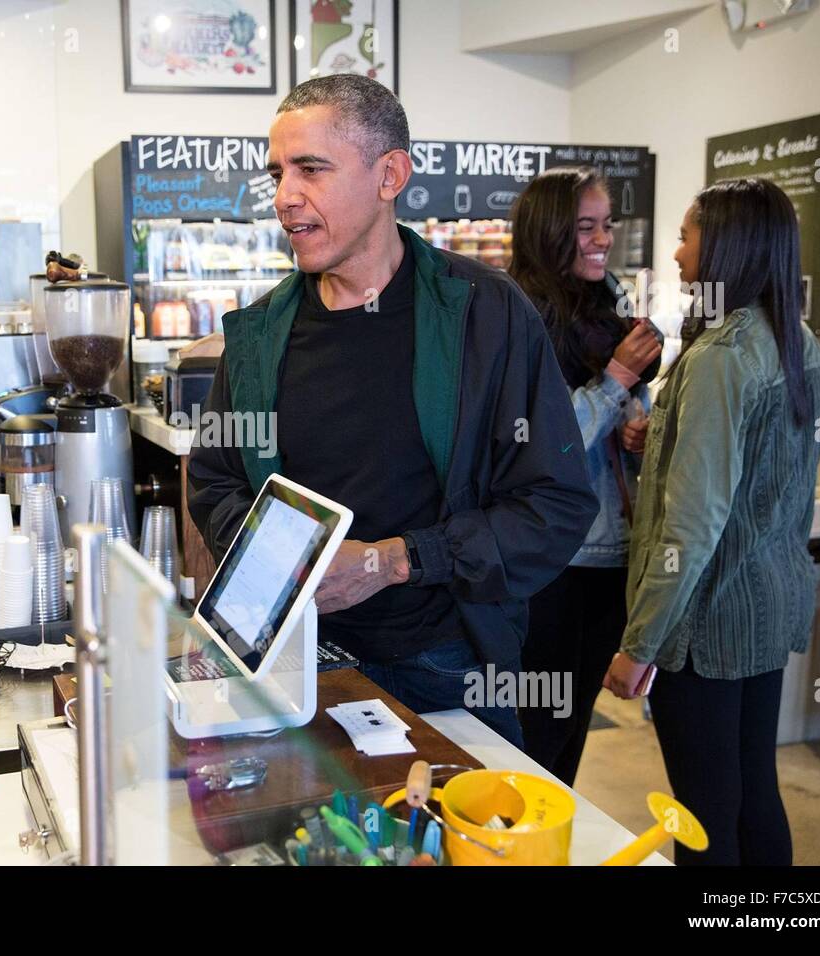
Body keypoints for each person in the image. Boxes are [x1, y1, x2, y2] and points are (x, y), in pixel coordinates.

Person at [187, 75, 597, 745]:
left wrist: (396, 559)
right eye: (278, 173)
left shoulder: (485, 317)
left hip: (447, 666)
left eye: (311, 169)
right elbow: (215, 480)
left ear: (390, 175)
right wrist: (288, 562)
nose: (285, 197)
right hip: (292, 663)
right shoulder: (260, 334)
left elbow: (555, 505)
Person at [603, 178, 820, 865]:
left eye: (686, 236)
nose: (675, 254)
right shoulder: (799, 342)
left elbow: (692, 527)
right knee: (753, 789)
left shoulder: (722, 358)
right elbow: (766, 474)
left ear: (726, 244)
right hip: (767, 605)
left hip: (707, 624)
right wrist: (665, 441)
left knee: (701, 814)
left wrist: (639, 643)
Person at [507, 167, 663, 785]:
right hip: (551, 559)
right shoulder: (518, 316)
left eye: (607, 227)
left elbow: (627, 408)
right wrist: (616, 384)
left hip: (611, 554)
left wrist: (638, 426)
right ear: (550, 233)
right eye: (585, 228)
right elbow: (541, 442)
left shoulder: (612, 301)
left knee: (572, 732)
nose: (602, 241)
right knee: (539, 727)